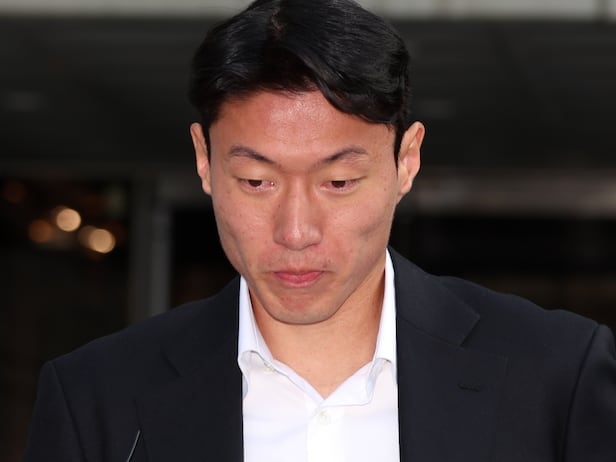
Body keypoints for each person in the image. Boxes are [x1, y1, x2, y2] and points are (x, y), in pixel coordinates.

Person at [23, 0, 616, 460]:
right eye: (257, 181)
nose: (296, 231)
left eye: (338, 182)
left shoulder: (556, 374)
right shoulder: (97, 397)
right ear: (204, 161)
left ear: (406, 162)